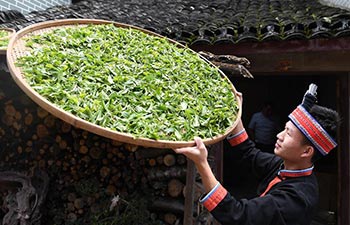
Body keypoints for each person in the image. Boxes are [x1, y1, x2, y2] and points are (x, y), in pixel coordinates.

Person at [172, 84, 340, 225]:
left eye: (288, 134)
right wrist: (236, 113)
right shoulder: (282, 165)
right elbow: (249, 154)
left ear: (306, 151)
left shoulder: (297, 199)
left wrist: (202, 163)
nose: (278, 135)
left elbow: (238, 215)